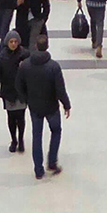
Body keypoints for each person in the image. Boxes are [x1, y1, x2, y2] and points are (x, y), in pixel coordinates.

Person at [16, 39, 70, 179]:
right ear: (47, 46)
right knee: (56, 131)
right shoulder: (54, 67)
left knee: (37, 136)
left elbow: (18, 85)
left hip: (34, 107)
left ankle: (38, 170)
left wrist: (26, 99)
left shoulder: (25, 65)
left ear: (35, 46)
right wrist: (66, 104)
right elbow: (60, 89)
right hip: (51, 107)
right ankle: (52, 162)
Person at [0, 32, 28, 152]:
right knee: (11, 118)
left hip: (21, 92)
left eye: (15, 42)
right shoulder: (1, 56)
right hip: (8, 91)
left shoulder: (25, 54)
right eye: (11, 42)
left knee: (21, 117)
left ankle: (21, 139)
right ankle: (14, 140)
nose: (13, 44)